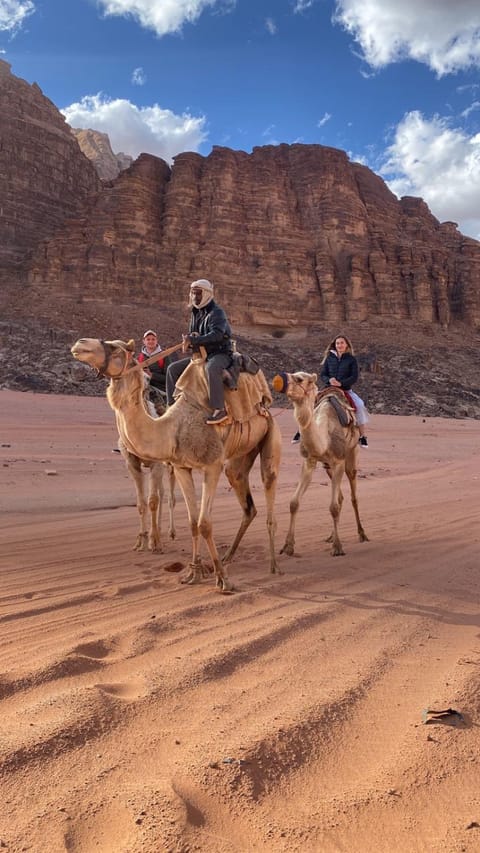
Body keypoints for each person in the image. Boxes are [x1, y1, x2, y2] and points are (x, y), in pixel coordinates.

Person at [166, 279, 233, 424]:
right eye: (193, 293)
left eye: (198, 293)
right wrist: (191, 340)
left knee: (212, 368)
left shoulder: (217, 312)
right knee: (172, 369)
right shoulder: (195, 313)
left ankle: (220, 409)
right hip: (200, 356)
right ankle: (171, 408)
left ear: (207, 294)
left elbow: (218, 335)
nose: (195, 296)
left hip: (219, 354)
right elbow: (196, 334)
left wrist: (195, 340)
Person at [292, 333, 369, 446]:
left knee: (360, 405)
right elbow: (323, 374)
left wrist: (341, 383)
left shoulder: (351, 359)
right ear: (334, 345)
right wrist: (330, 380)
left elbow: (354, 377)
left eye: (342, 343)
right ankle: (300, 431)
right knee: (309, 403)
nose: (339, 345)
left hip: (345, 390)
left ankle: (362, 436)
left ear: (347, 345)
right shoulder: (330, 358)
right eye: (337, 343)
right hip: (329, 388)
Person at [137, 330, 176, 396]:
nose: (151, 341)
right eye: (148, 339)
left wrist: (152, 375)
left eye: (153, 339)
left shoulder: (164, 356)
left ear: (156, 341)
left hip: (160, 389)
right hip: (142, 388)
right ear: (144, 341)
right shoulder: (139, 357)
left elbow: (169, 378)